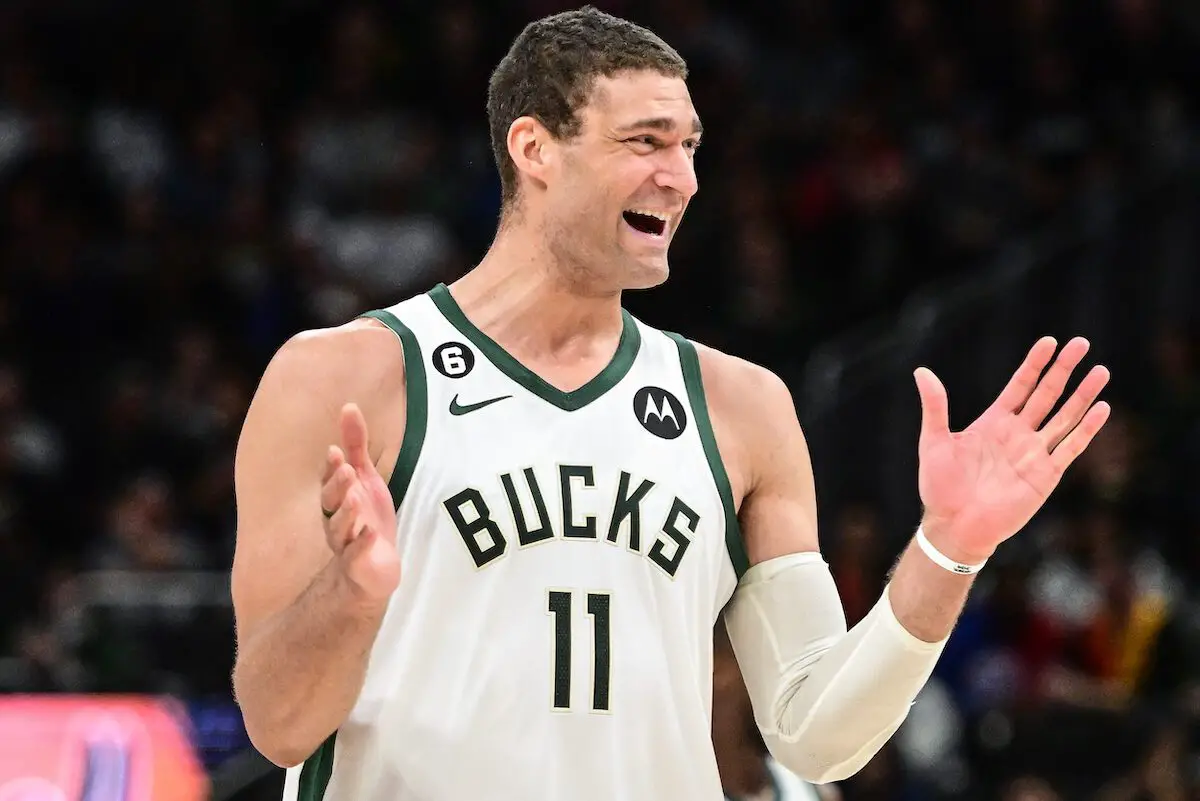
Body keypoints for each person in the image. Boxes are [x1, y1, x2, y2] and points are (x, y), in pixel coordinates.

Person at [229, 7, 1112, 801]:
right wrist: (351, 595)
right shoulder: (344, 378)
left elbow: (818, 732)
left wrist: (947, 549)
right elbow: (277, 723)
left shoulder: (740, 405)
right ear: (534, 150)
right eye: (646, 142)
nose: (682, 178)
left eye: (691, 147)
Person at [713, 623, 841, 801]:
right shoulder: (678, 788)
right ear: (718, 670)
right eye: (766, 663)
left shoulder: (817, 789)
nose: (784, 680)